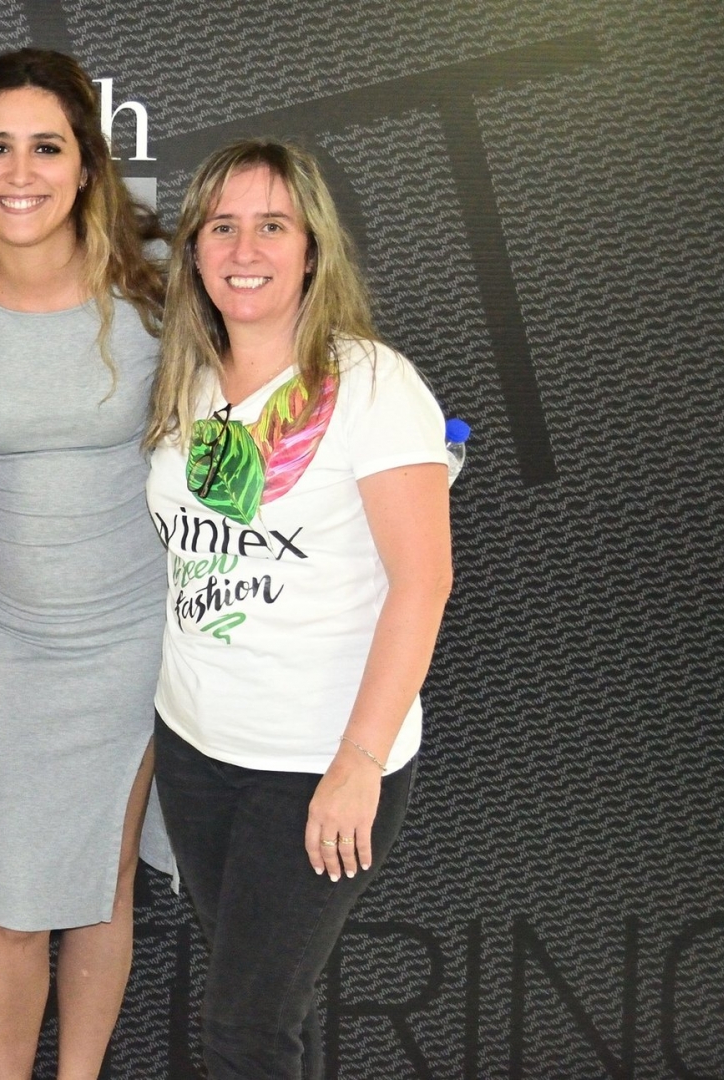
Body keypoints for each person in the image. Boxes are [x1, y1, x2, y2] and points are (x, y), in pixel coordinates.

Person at [145, 138, 453, 1078]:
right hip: (195, 752)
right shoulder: (188, 381)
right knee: (262, 1006)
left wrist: (358, 762)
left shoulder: (371, 383)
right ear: (193, 250)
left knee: (244, 1030)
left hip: (316, 761)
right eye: (221, 227)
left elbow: (422, 582)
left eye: (271, 226)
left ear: (311, 249)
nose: (244, 249)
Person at [0, 48, 173, 1080]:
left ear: (88, 165)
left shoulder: (158, 300)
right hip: (0, 643)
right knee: (13, 902)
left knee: (104, 886)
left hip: (132, 638)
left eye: (46, 148)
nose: (20, 173)